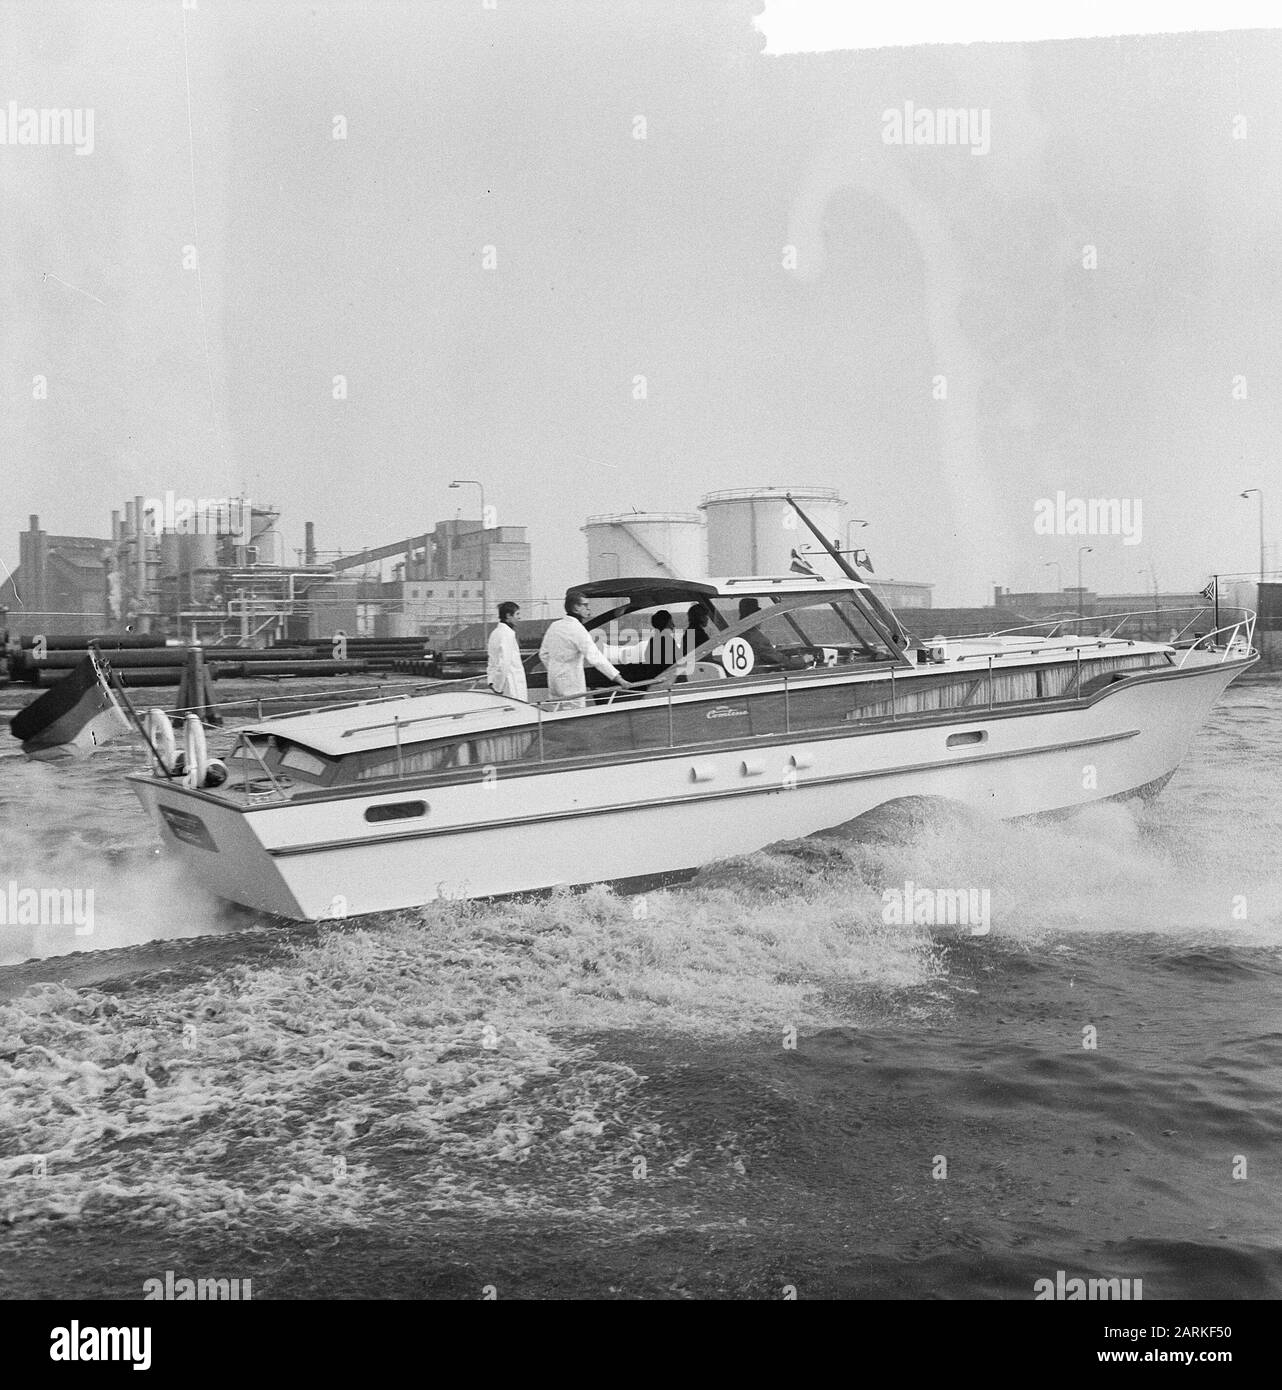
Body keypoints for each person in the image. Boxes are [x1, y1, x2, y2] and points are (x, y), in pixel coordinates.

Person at [538, 591, 631, 708]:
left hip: (554, 680)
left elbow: (543, 654)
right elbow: (595, 657)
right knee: (574, 716)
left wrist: (555, 668)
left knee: (555, 715)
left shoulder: (554, 626)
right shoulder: (577, 629)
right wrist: (619, 679)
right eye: (585, 605)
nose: (589, 608)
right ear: (576, 608)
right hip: (571, 684)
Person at [486, 600, 527, 700]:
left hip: (500, 682)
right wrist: (498, 687)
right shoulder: (507, 634)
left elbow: (492, 661)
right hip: (511, 683)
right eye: (517, 614)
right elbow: (504, 662)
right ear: (508, 616)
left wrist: (492, 681)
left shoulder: (495, 633)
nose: (519, 617)